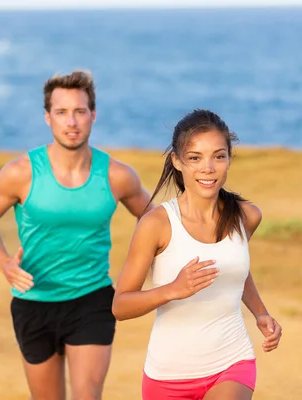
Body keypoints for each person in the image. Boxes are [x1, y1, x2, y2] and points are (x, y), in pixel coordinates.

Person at [0, 70, 153, 400]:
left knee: (87, 395)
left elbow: (156, 222)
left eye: (80, 111)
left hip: (92, 298)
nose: (72, 122)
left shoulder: (118, 175)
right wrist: (3, 264)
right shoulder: (20, 173)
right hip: (33, 303)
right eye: (61, 112)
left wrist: (142, 270)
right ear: (48, 117)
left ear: (93, 115)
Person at [111, 109, 282, 400]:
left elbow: (234, 268)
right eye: (195, 158)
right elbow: (121, 306)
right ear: (177, 162)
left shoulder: (247, 216)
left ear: (230, 158)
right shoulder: (156, 225)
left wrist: (261, 312)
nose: (208, 168)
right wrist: (172, 290)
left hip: (232, 360)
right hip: (168, 375)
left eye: (219, 156)